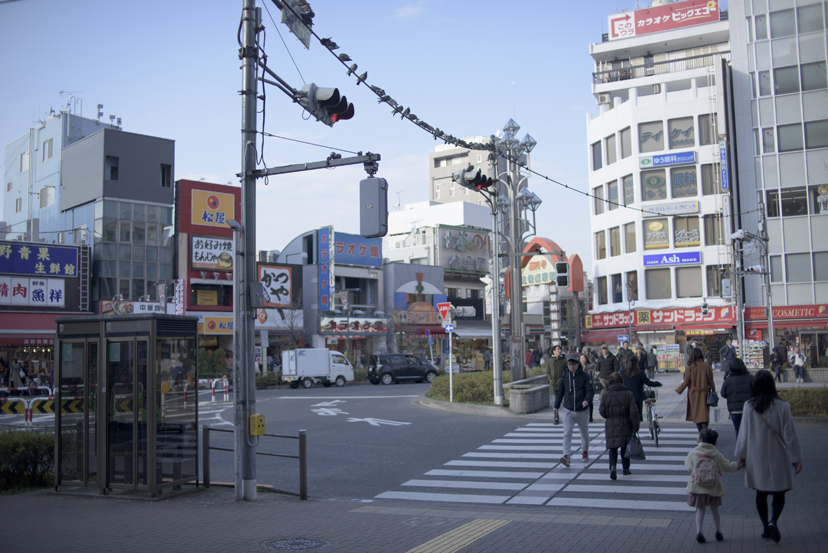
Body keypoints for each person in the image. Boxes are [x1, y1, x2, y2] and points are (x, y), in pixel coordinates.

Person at [734, 370, 803, 544]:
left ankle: (766, 527)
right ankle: (773, 521)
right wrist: (796, 458)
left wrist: (741, 456)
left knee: (761, 492)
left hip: (756, 456)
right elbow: (790, 435)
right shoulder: (782, 406)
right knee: (780, 492)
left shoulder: (750, 406)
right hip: (778, 455)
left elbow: (744, 433)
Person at [685, 429, 741, 543]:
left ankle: (699, 532)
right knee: (714, 509)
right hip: (713, 487)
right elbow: (727, 466)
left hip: (698, 487)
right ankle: (718, 531)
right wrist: (738, 466)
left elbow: (689, 467)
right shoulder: (716, 454)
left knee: (700, 510)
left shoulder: (693, 453)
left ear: (700, 440)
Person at [553, 353, 594, 466]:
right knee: (567, 434)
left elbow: (590, 391)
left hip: (582, 410)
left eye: (573, 364)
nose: (571, 367)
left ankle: (584, 451)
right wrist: (556, 406)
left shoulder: (585, 376)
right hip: (568, 410)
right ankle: (566, 456)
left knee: (584, 433)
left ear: (577, 364)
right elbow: (560, 392)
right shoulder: (565, 377)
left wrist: (587, 400)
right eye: (569, 364)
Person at [599, 371, 638, 480]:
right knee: (625, 447)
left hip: (611, 423)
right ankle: (626, 468)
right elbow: (634, 412)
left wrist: (609, 416)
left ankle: (613, 467)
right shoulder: (628, 393)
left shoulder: (606, 394)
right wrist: (635, 426)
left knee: (613, 448)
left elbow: (602, 411)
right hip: (626, 423)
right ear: (621, 380)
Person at [675, 347, 714, 431]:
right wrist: (713, 391)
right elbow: (711, 381)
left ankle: (701, 433)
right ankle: (704, 432)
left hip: (694, 394)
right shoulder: (707, 366)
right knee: (704, 414)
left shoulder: (690, 368)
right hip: (705, 393)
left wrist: (678, 390)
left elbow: (686, 382)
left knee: (697, 414)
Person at [621, 354, 662, 421]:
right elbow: (648, 382)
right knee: (638, 413)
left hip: (626, 396)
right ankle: (636, 428)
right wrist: (658, 384)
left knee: (628, 412)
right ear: (637, 363)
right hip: (637, 396)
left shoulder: (622, 372)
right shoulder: (640, 372)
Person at [720, 358, 754, 437]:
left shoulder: (728, 380)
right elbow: (756, 392)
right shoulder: (750, 378)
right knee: (749, 432)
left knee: (738, 431)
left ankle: (740, 448)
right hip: (748, 408)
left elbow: (723, 394)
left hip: (734, 410)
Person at [579, 353, 596, 423]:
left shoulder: (590, 367)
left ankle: (590, 416)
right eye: (581, 358)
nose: (582, 360)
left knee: (590, 401)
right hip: (581, 387)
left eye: (583, 358)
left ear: (586, 359)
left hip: (589, 386)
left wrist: (594, 376)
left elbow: (594, 376)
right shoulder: (578, 368)